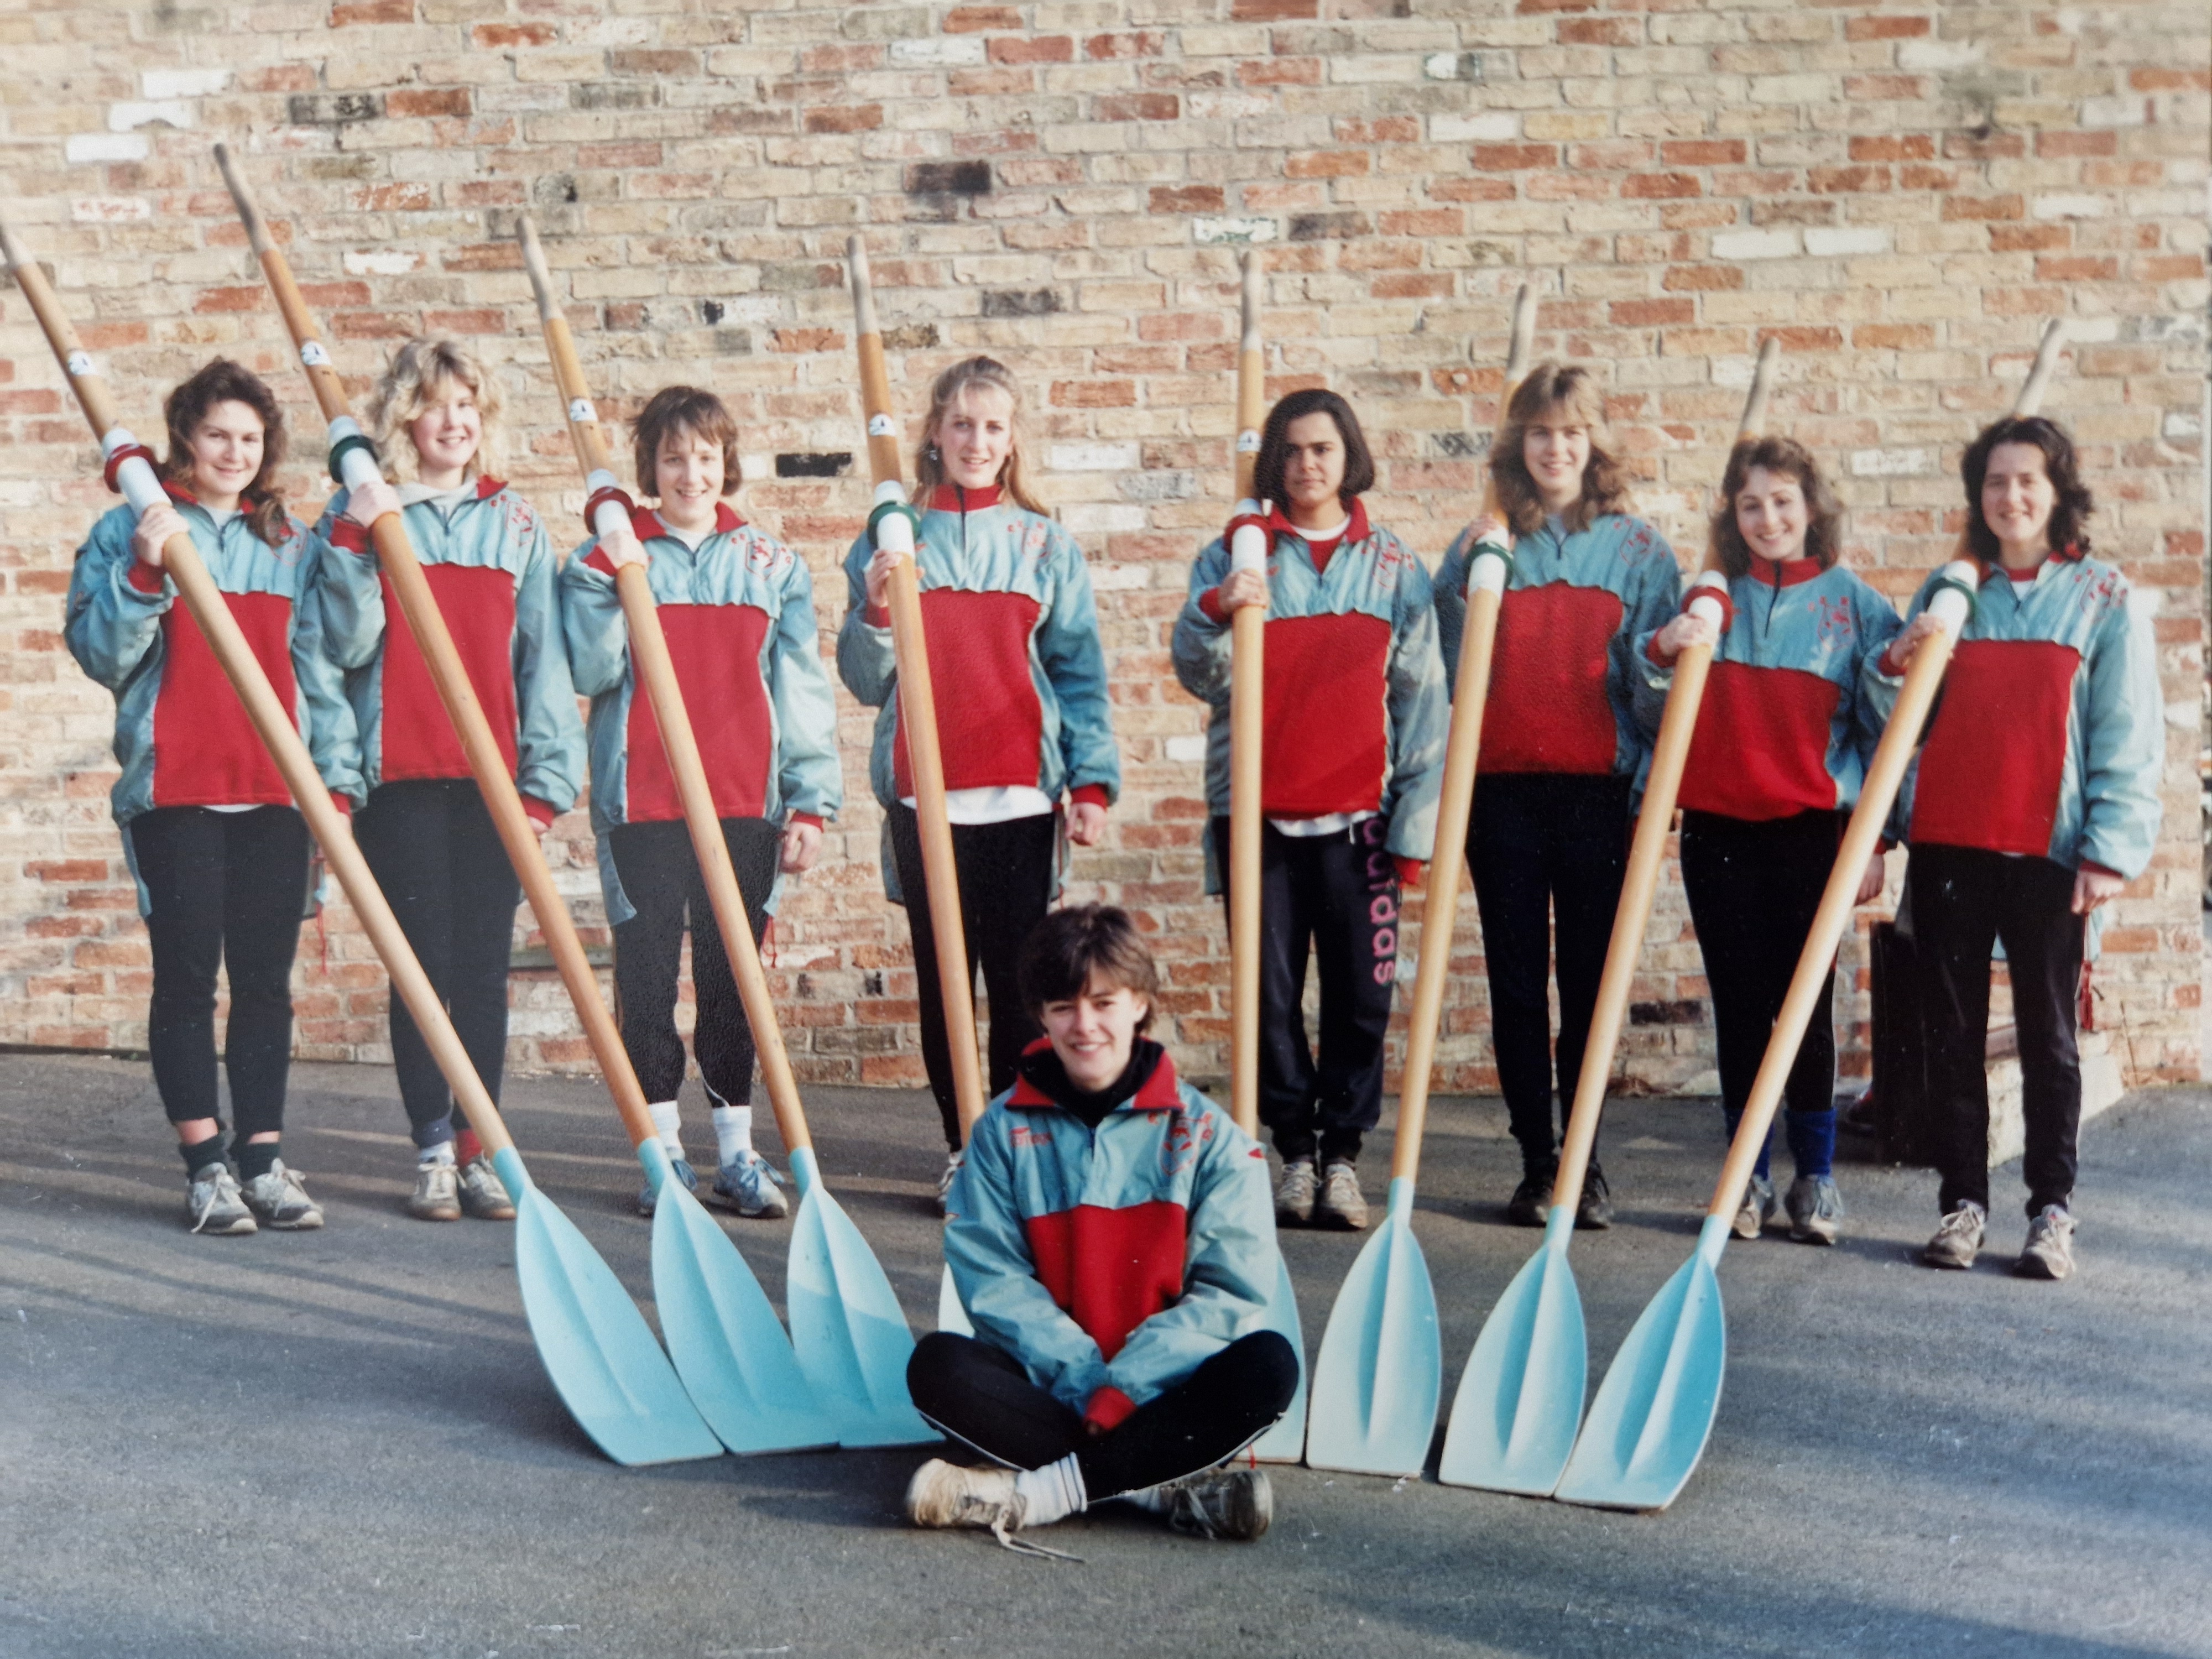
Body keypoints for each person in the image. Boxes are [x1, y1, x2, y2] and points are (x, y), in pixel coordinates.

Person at [64, 359, 359, 1235]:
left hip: (276, 791)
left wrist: (333, 787)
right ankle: (206, 1168)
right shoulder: (131, 528)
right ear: (185, 437)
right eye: (218, 434)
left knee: (266, 985)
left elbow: (331, 663)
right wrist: (148, 571)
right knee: (187, 981)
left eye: (250, 438)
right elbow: (100, 656)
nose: (235, 451)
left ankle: (263, 1163)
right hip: (176, 791)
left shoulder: (290, 542)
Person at [904, 905, 1296, 1552]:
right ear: (1040, 1015)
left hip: (1165, 1391)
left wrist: (1125, 1388)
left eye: (1104, 1003)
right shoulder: (1000, 1133)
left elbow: (1230, 1293)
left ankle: (1032, 1495)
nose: (1084, 1026)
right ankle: (1159, 1490)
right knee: (938, 1366)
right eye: (1062, 1006)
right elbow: (994, 1284)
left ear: (1140, 1004)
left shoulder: (1210, 1138)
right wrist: (1091, 1385)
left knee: (1268, 1366)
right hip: (1055, 1391)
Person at [1871, 415, 2161, 1281]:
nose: (2011, 496)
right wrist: (1897, 658)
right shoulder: (1956, 588)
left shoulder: (2101, 596)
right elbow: (1905, 723)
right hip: (1953, 840)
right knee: (1952, 1033)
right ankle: (1963, 1204)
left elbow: (2126, 731)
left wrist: (2109, 850)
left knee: (2050, 1037)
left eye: (2027, 480)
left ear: (2059, 490)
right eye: (1995, 483)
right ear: (1979, 497)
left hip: (2049, 849)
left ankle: (2051, 1211)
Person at [311, 338, 583, 1224]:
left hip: (493, 784)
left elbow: (543, 662)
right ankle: (431, 1144)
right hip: (403, 777)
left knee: (481, 970)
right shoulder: (367, 517)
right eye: (435, 405)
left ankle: (482, 1149)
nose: (454, 422)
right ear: (403, 420)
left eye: (468, 405)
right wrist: (356, 540)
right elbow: (343, 648)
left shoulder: (518, 526)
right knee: (420, 969)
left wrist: (545, 783)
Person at [837, 356, 1119, 1211]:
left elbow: (1079, 673)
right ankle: (963, 1146)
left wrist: (1092, 784)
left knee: (1022, 990)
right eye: (961, 424)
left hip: (1022, 799)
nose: (976, 441)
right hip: (928, 801)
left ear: (1013, 438)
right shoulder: (891, 533)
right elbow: (860, 675)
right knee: (944, 984)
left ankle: (1017, 1149)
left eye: (993, 426)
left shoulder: (1044, 543)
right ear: (933, 433)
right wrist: (877, 608)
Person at [1170, 389, 1448, 1231]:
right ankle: (1294, 1152)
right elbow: (1196, 669)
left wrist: (1414, 828)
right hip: (1260, 815)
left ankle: (1344, 1158)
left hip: (1358, 819)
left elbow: (1423, 700)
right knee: (1271, 994)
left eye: (1322, 449)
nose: (1306, 465)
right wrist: (1224, 606)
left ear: (1348, 455)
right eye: (1290, 451)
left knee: (1363, 997)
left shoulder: (1394, 565)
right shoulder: (1238, 553)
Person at [560, 385, 841, 1218]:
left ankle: (736, 1154)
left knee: (732, 985)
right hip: (641, 806)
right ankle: (663, 1158)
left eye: (707, 456)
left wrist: (810, 802)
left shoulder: (770, 563)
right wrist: (613, 574)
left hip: (742, 807)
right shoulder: (605, 556)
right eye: (674, 457)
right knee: (645, 986)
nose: (692, 472)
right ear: (651, 466)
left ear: (727, 463)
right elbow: (591, 671)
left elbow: (801, 692)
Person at [1434, 363, 1682, 1228]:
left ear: (1594, 443)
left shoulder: (1641, 551)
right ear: (1519, 444)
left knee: (1588, 980)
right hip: (1500, 791)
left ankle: (1584, 1160)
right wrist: (1468, 571)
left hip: (1596, 795)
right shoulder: (1488, 539)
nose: (1556, 447)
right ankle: (1538, 1163)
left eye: (1572, 432)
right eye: (1540, 432)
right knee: (1514, 981)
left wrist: (1664, 660)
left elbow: (1654, 698)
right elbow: (1451, 664)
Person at [1636, 437, 1900, 1244]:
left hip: (1809, 832)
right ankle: (1746, 1173)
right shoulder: (1712, 597)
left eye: (1783, 501)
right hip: (1720, 830)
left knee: (1807, 1007)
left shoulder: (1856, 606)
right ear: (1732, 515)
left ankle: (1813, 1178)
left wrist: (1877, 839)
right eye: (1751, 504)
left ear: (1812, 508)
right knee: (1742, 1005)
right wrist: (1664, 649)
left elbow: (1888, 730)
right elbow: (1651, 708)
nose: (1769, 517)